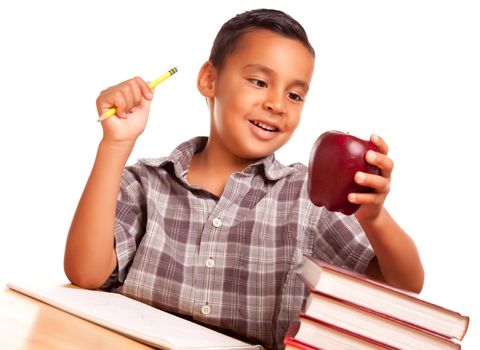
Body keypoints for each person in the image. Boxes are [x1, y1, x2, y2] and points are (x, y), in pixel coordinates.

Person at [64, 8, 424, 349]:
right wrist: (116, 144)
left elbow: (403, 287)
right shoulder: (146, 183)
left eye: (294, 94)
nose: (277, 104)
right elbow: (86, 273)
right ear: (209, 79)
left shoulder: (306, 198)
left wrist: (372, 216)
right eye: (258, 81)